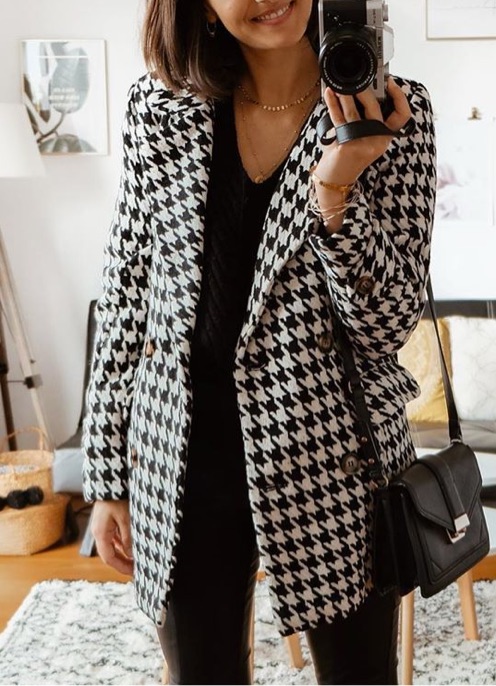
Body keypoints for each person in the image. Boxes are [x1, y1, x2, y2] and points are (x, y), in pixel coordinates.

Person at [82, 0, 437, 682]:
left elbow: (388, 323)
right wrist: (107, 477)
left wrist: (337, 187)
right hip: (181, 456)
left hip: (335, 460)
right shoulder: (159, 110)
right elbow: (127, 293)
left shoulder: (395, 112)